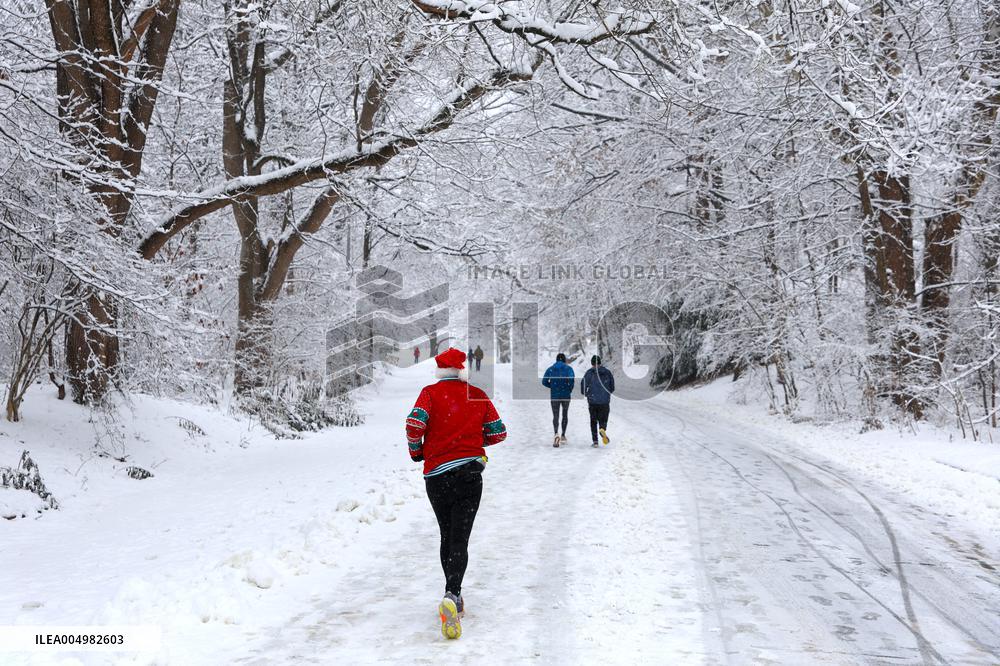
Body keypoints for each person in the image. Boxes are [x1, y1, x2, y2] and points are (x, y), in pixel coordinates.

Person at [405, 347, 507, 639]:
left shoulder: (429, 394)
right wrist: (475, 439)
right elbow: (499, 432)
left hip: (436, 476)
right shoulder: (476, 394)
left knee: (447, 534)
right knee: (460, 537)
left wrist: (418, 452)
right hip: (469, 474)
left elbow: (414, 424)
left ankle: (452, 594)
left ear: (440, 372)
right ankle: (453, 594)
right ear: (462, 370)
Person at [541, 353, 574, 447]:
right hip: (566, 395)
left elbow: (544, 381)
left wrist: (552, 386)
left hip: (554, 396)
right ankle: (563, 435)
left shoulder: (550, 369)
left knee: (555, 415)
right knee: (565, 414)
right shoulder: (569, 369)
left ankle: (556, 433)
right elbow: (571, 380)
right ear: (564, 360)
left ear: (556, 360)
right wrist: (569, 389)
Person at [581, 355, 614, 447]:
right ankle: (602, 428)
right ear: (600, 363)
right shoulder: (607, 373)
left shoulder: (589, 373)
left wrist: (586, 393)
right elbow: (612, 387)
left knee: (593, 421)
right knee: (603, 419)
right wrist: (606, 394)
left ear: (592, 364)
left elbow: (583, 386)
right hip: (604, 402)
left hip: (592, 401)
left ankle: (595, 442)